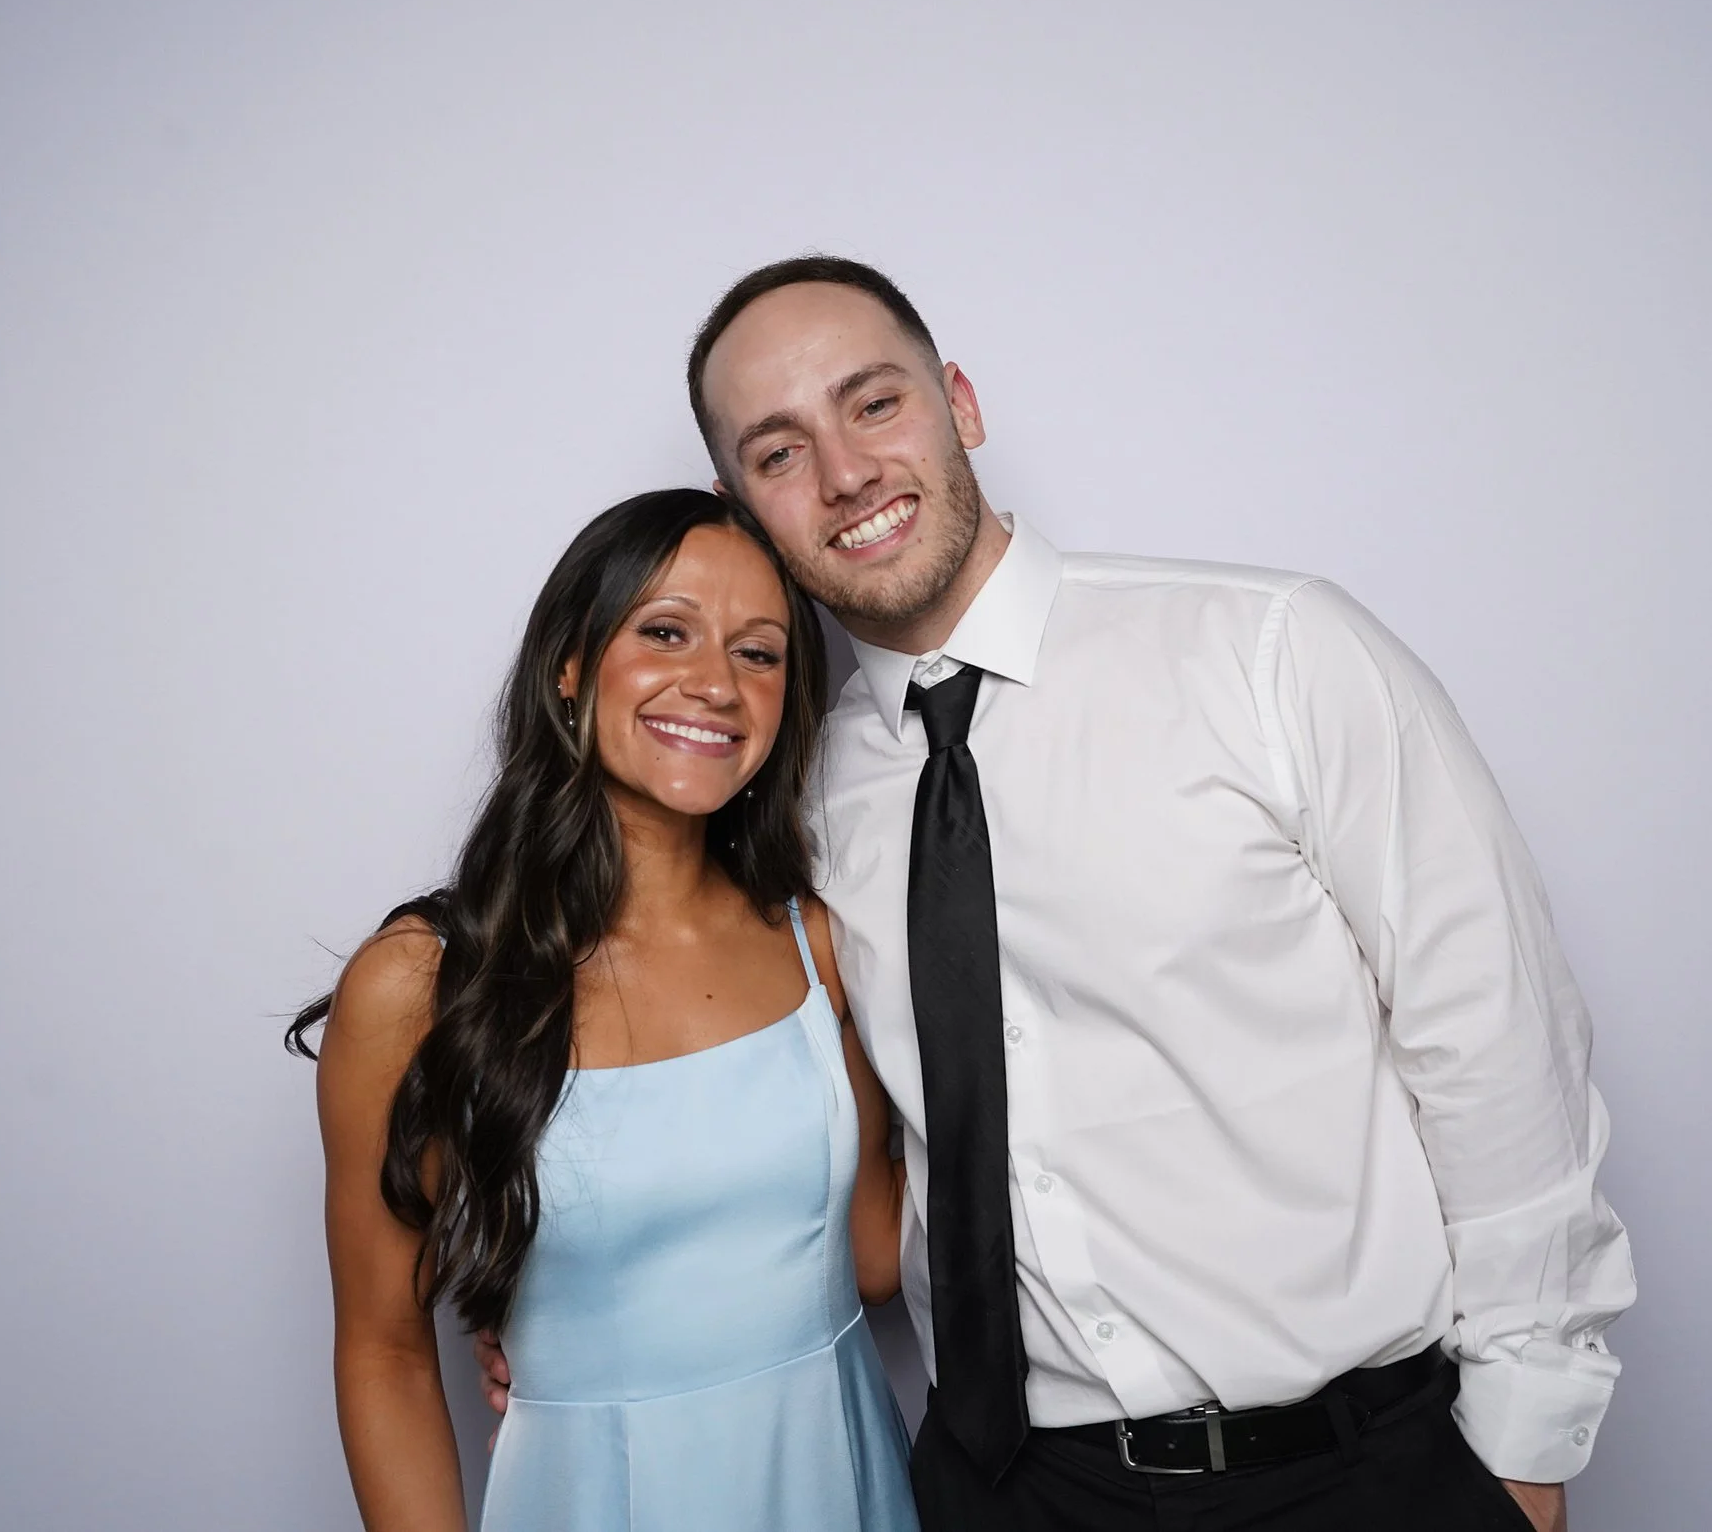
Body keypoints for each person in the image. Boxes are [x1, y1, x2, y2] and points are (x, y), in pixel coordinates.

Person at [495, 258, 1636, 1531]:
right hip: (1002, 1491)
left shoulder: (1270, 653)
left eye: (874, 403)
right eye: (779, 450)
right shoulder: (782, 794)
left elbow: (1494, 1037)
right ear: (741, 509)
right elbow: (725, 1076)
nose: (846, 472)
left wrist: (1525, 1443)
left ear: (960, 403)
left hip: (1351, 1474)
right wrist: (563, 1300)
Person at [287, 488, 920, 1532]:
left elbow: (876, 1254)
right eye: (666, 631)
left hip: (839, 1476)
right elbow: (384, 1351)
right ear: (570, 665)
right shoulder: (420, 984)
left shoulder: (814, 939)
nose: (715, 682)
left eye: (758, 652)